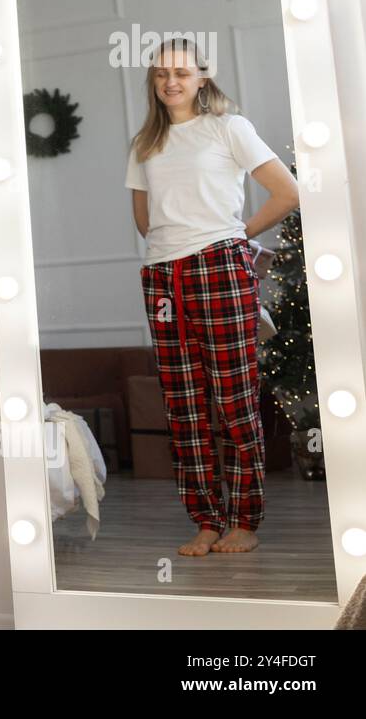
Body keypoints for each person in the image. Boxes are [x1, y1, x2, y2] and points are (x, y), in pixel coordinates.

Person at [126, 37, 299, 558]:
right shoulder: (144, 145)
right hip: (162, 275)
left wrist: (234, 237)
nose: (170, 82)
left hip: (219, 268)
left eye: (181, 72)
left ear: (203, 77)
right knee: (183, 407)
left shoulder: (230, 128)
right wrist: (171, 245)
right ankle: (205, 520)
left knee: (234, 399)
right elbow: (144, 216)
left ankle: (244, 521)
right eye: (160, 74)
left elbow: (287, 193)